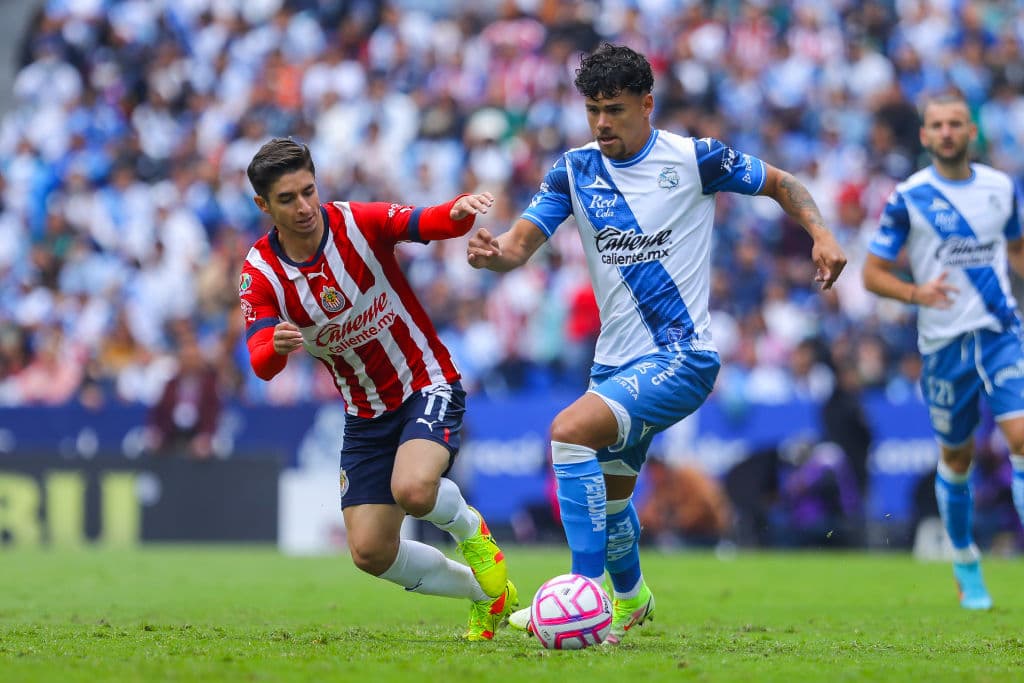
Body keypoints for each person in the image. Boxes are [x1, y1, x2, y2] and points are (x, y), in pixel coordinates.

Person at [467, 44, 846, 643]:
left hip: (682, 356)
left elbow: (782, 182)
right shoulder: (574, 170)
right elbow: (519, 243)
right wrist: (494, 256)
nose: (601, 123)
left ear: (647, 105)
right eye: (591, 110)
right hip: (615, 363)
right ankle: (631, 598)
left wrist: (821, 233)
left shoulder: (694, 159)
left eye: (613, 109)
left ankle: (577, 597)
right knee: (613, 499)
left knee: (568, 433)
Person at [237, 138, 516, 640]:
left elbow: (426, 222)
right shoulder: (260, 274)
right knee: (370, 552)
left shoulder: (356, 222)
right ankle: (487, 596)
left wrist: (458, 210)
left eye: (308, 191)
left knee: (412, 488)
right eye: (287, 199)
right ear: (263, 205)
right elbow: (261, 364)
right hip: (364, 412)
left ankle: (474, 535)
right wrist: (275, 346)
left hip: (426, 379)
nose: (303, 207)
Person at [862, 91, 1024, 610]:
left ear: (971, 131)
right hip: (943, 344)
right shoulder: (908, 196)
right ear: (926, 135)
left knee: (1021, 435)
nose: (949, 132)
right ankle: (965, 561)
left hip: (1000, 333)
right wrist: (916, 293)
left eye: (957, 123)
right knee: (958, 457)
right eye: (939, 125)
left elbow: (1017, 249)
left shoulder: (1001, 188)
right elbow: (872, 272)